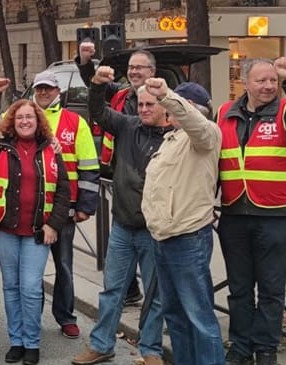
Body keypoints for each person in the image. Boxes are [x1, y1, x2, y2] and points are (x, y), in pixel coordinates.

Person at [217, 57, 286, 365]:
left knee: (271, 290)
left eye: (273, 80)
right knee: (239, 288)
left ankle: (266, 349)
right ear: (244, 83)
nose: (269, 86)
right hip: (233, 213)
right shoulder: (224, 112)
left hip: (275, 215)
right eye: (261, 81)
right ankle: (241, 346)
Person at [72, 65, 169, 365]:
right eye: (140, 104)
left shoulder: (175, 136)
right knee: (112, 290)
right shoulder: (128, 126)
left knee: (155, 295)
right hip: (124, 227)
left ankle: (151, 350)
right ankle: (102, 344)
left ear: (164, 106)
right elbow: (98, 112)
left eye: (150, 104)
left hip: (156, 230)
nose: (143, 109)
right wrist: (97, 84)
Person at [0, 99, 70, 365]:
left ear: (38, 121)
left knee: (30, 288)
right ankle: (16, 341)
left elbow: (63, 190)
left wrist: (54, 224)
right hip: (5, 229)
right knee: (11, 285)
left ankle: (32, 342)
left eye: (30, 117)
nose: (25, 121)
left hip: (38, 231)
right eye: (19, 118)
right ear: (12, 123)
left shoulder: (51, 149)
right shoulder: (0, 147)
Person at [141, 80, 225, 365]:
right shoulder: (172, 139)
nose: (166, 111)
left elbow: (195, 123)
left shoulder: (206, 134)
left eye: (173, 105)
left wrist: (166, 94)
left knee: (199, 318)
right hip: (164, 237)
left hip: (188, 237)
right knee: (175, 315)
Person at [77, 42, 153, 306]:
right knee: (121, 235)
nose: (133, 72)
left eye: (139, 68)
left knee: (147, 244)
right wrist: (86, 62)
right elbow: (95, 87)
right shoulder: (121, 94)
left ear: (152, 72)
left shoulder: (163, 98)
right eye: (131, 68)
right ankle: (130, 290)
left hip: (151, 178)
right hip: (121, 170)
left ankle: (153, 299)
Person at [30, 70, 100, 340]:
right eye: (40, 89)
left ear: (58, 91)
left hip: (65, 209)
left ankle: (66, 317)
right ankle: (31, 316)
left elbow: (89, 166)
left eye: (48, 88)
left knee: (65, 267)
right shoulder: (22, 116)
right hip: (30, 209)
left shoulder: (74, 121)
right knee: (32, 269)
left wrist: (86, 205)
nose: (44, 93)